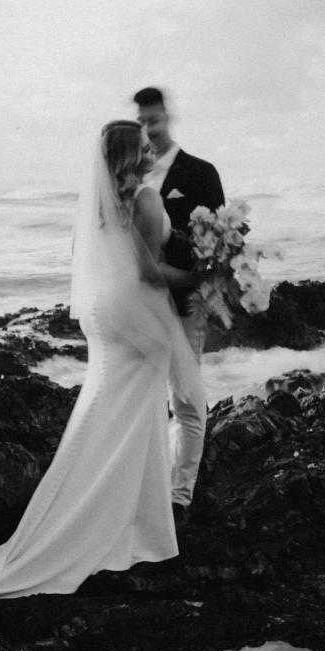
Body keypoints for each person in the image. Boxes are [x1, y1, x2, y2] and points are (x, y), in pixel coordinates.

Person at [0, 120, 206, 624]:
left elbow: (94, 267)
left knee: (110, 407)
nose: (154, 150)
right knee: (142, 410)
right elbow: (149, 273)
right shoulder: (147, 200)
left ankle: (115, 510)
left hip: (105, 317)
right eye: (146, 146)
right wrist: (204, 274)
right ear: (132, 156)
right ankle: (139, 520)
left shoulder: (94, 207)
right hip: (139, 311)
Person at [134, 87, 225, 515]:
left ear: (168, 117)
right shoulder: (132, 175)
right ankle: (151, 484)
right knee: (145, 398)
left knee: (186, 398)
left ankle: (180, 497)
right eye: (142, 122)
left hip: (185, 302)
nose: (149, 129)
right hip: (139, 306)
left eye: (155, 119)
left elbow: (223, 246)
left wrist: (209, 296)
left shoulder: (200, 172)